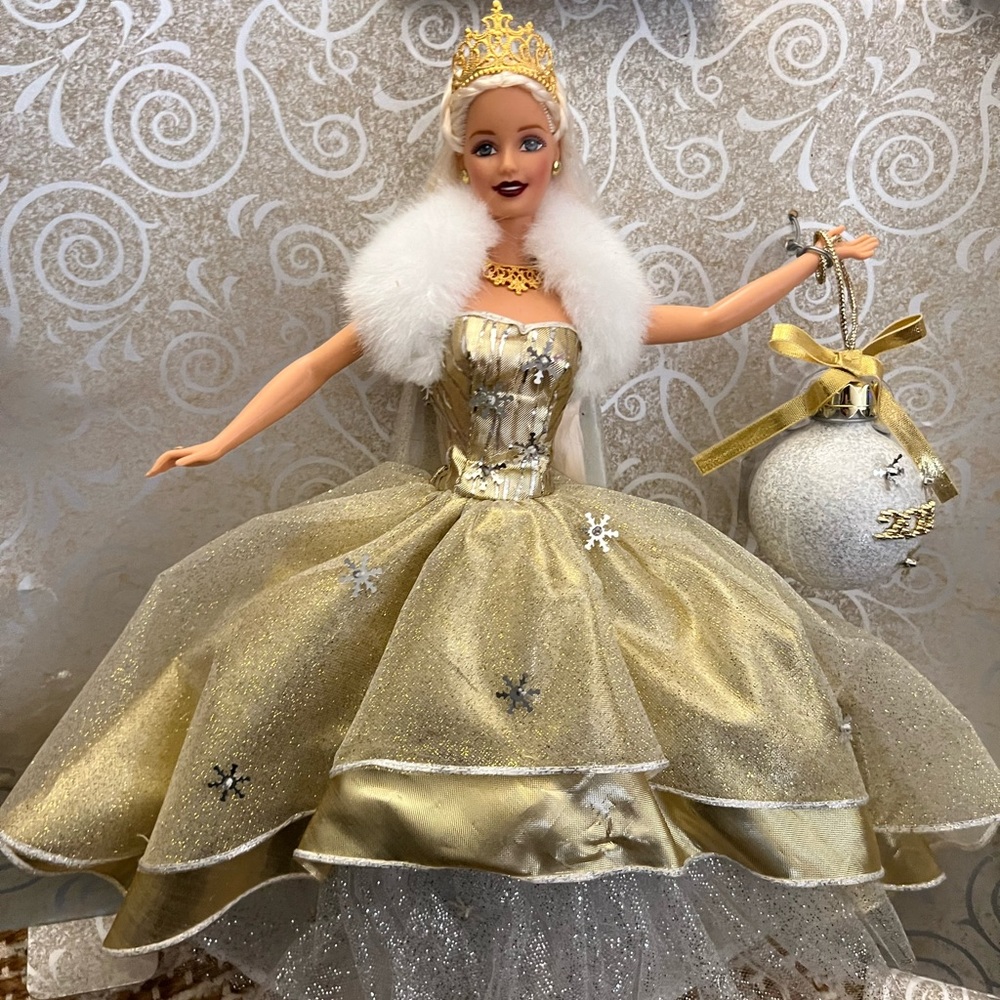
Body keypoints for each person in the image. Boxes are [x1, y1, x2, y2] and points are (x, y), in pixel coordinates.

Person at [2, 4, 998, 997]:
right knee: (332, 682)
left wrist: (812, 263)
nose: (508, 160)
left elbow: (702, 319)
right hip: (446, 523)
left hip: (562, 530)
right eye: (486, 144)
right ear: (461, 157)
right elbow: (317, 361)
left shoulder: (581, 289)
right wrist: (221, 440)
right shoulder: (430, 283)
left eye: (527, 139)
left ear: (556, 150)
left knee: (686, 687)